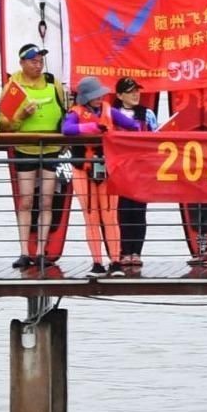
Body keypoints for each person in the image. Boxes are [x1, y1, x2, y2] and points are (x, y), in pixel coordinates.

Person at [0, 42, 69, 271]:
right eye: (33, 61)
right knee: (26, 200)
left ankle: (40, 251)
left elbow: (66, 111)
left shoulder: (52, 83)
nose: (38, 65)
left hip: (51, 148)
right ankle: (23, 251)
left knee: (47, 200)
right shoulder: (13, 86)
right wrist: (21, 115)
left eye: (40, 61)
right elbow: (3, 124)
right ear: (22, 63)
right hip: (25, 148)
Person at [62, 74, 127, 275]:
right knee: (91, 217)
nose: (100, 98)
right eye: (95, 95)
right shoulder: (75, 112)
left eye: (100, 95)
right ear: (85, 97)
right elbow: (66, 129)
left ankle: (115, 262)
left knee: (110, 217)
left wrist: (143, 132)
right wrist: (90, 127)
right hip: (83, 169)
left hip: (107, 169)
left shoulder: (110, 110)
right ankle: (97, 263)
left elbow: (131, 125)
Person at [110, 76, 156, 270]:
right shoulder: (111, 113)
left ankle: (136, 252)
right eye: (130, 91)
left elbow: (156, 136)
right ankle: (124, 251)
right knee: (122, 211)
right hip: (119, 169)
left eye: (137, 90)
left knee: (139, 211)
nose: (136, 94)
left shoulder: (147, 114)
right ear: (120, 95)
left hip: (141, 169)